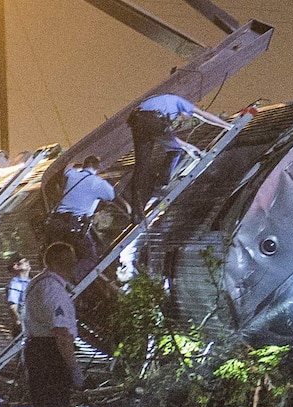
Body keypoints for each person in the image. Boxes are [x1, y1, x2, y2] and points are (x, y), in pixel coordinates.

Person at [22, 242, 83, 407]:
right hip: (50, 354)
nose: (75, 263)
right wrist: (73, 367)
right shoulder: (53, 289)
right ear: (60, 262)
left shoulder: (37, 283)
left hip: (36, 350)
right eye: (71, 259)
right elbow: (61, 333)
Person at [127, 94, 233, 224]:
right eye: (186, 117)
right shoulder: (181, 102)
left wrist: (188, 147)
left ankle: (136, 212)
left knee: (142, 167)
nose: (181, 120)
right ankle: (161, 183)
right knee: (175, 151)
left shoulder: (164, 104)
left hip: (137, 121)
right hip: (153, 120)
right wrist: (228, 126)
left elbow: (169, 138)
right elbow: (203, 115)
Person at [45, 155, 115, 280]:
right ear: (97, 168)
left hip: (57, 224)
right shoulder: (96, 182)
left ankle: (57, 276)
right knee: (90, 257)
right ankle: (72, 279)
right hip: (74, 227)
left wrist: (73, 162)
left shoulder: (72, 174)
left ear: (84, 165)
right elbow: (111, 195)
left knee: (61, 256)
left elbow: (67, 168)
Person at [6, 254, 32, 335]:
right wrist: (20, 323)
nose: (27, 263)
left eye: (27, 260)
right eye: (23, 262)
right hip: (26, 328)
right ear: (15, 267)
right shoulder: (15, 284)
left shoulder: (31, 281)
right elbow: (13, 307)